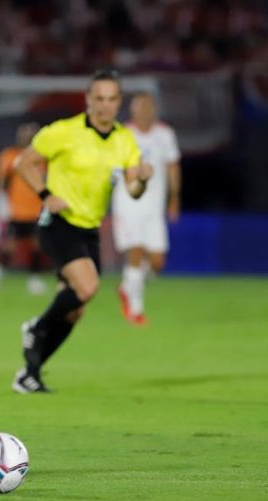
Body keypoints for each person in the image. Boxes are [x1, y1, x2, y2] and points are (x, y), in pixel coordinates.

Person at [12, 69, 152, 394]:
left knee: (75, 310)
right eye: (99, 98)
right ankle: (36, 327)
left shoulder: (124, 140)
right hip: (59, 224)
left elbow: (133, 190)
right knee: (87, 287)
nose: (105, 105)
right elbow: (24, 163)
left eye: (111, 98)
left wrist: (142, 178)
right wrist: (46, 195)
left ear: (119, 102)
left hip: (89, 230)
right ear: (89, 100)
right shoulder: (64, 131)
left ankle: (29, 374)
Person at [112, 92, 181, 326]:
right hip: (129, 202)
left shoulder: (165, 134)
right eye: (140, 107)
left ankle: (126, 287)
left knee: (157, 261)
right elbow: (113, 170)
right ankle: (135, 308)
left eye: (149, 107)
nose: (145, 112)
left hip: (155, 205)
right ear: (133, 111)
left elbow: (172, 167)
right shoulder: (122, 135)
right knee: (135, 252)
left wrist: (174, 198)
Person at [0, 122, 48, 295]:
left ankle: (34, 279)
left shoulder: (43, 158)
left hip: (37, 209)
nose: (28, 137)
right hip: (16, 210)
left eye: (32, 134)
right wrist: (0, 202)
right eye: (25, 134)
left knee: (37, 245)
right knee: (9, 245)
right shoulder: (10, 156)